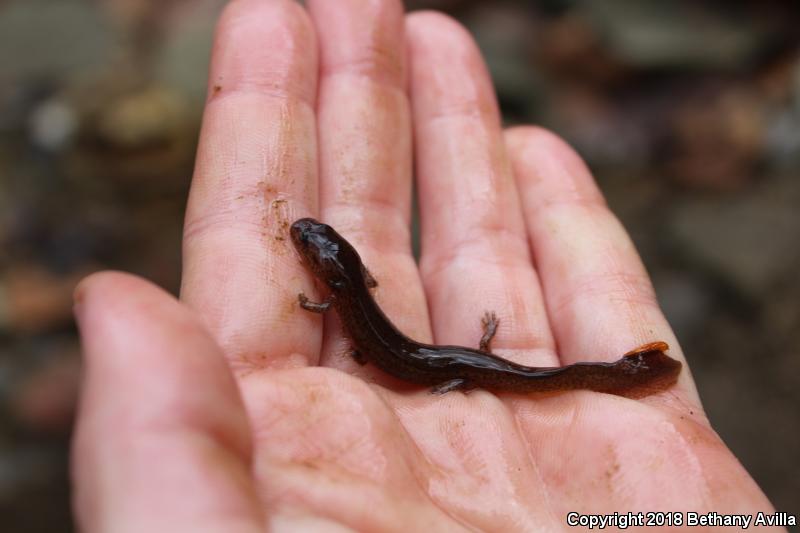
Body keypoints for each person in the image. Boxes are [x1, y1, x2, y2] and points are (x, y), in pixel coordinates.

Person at [70, 0, 779, 530]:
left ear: (331, 267)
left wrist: (436, 358)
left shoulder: (345, 292)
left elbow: (346, 306)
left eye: (315, 245)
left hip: (444, 363)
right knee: (509, 371)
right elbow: (351, 301)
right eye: (312, 245)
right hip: (443, 361)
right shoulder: (351, 288)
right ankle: (625, 372)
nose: (307, 243)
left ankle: (629, 373)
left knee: (520, 375)